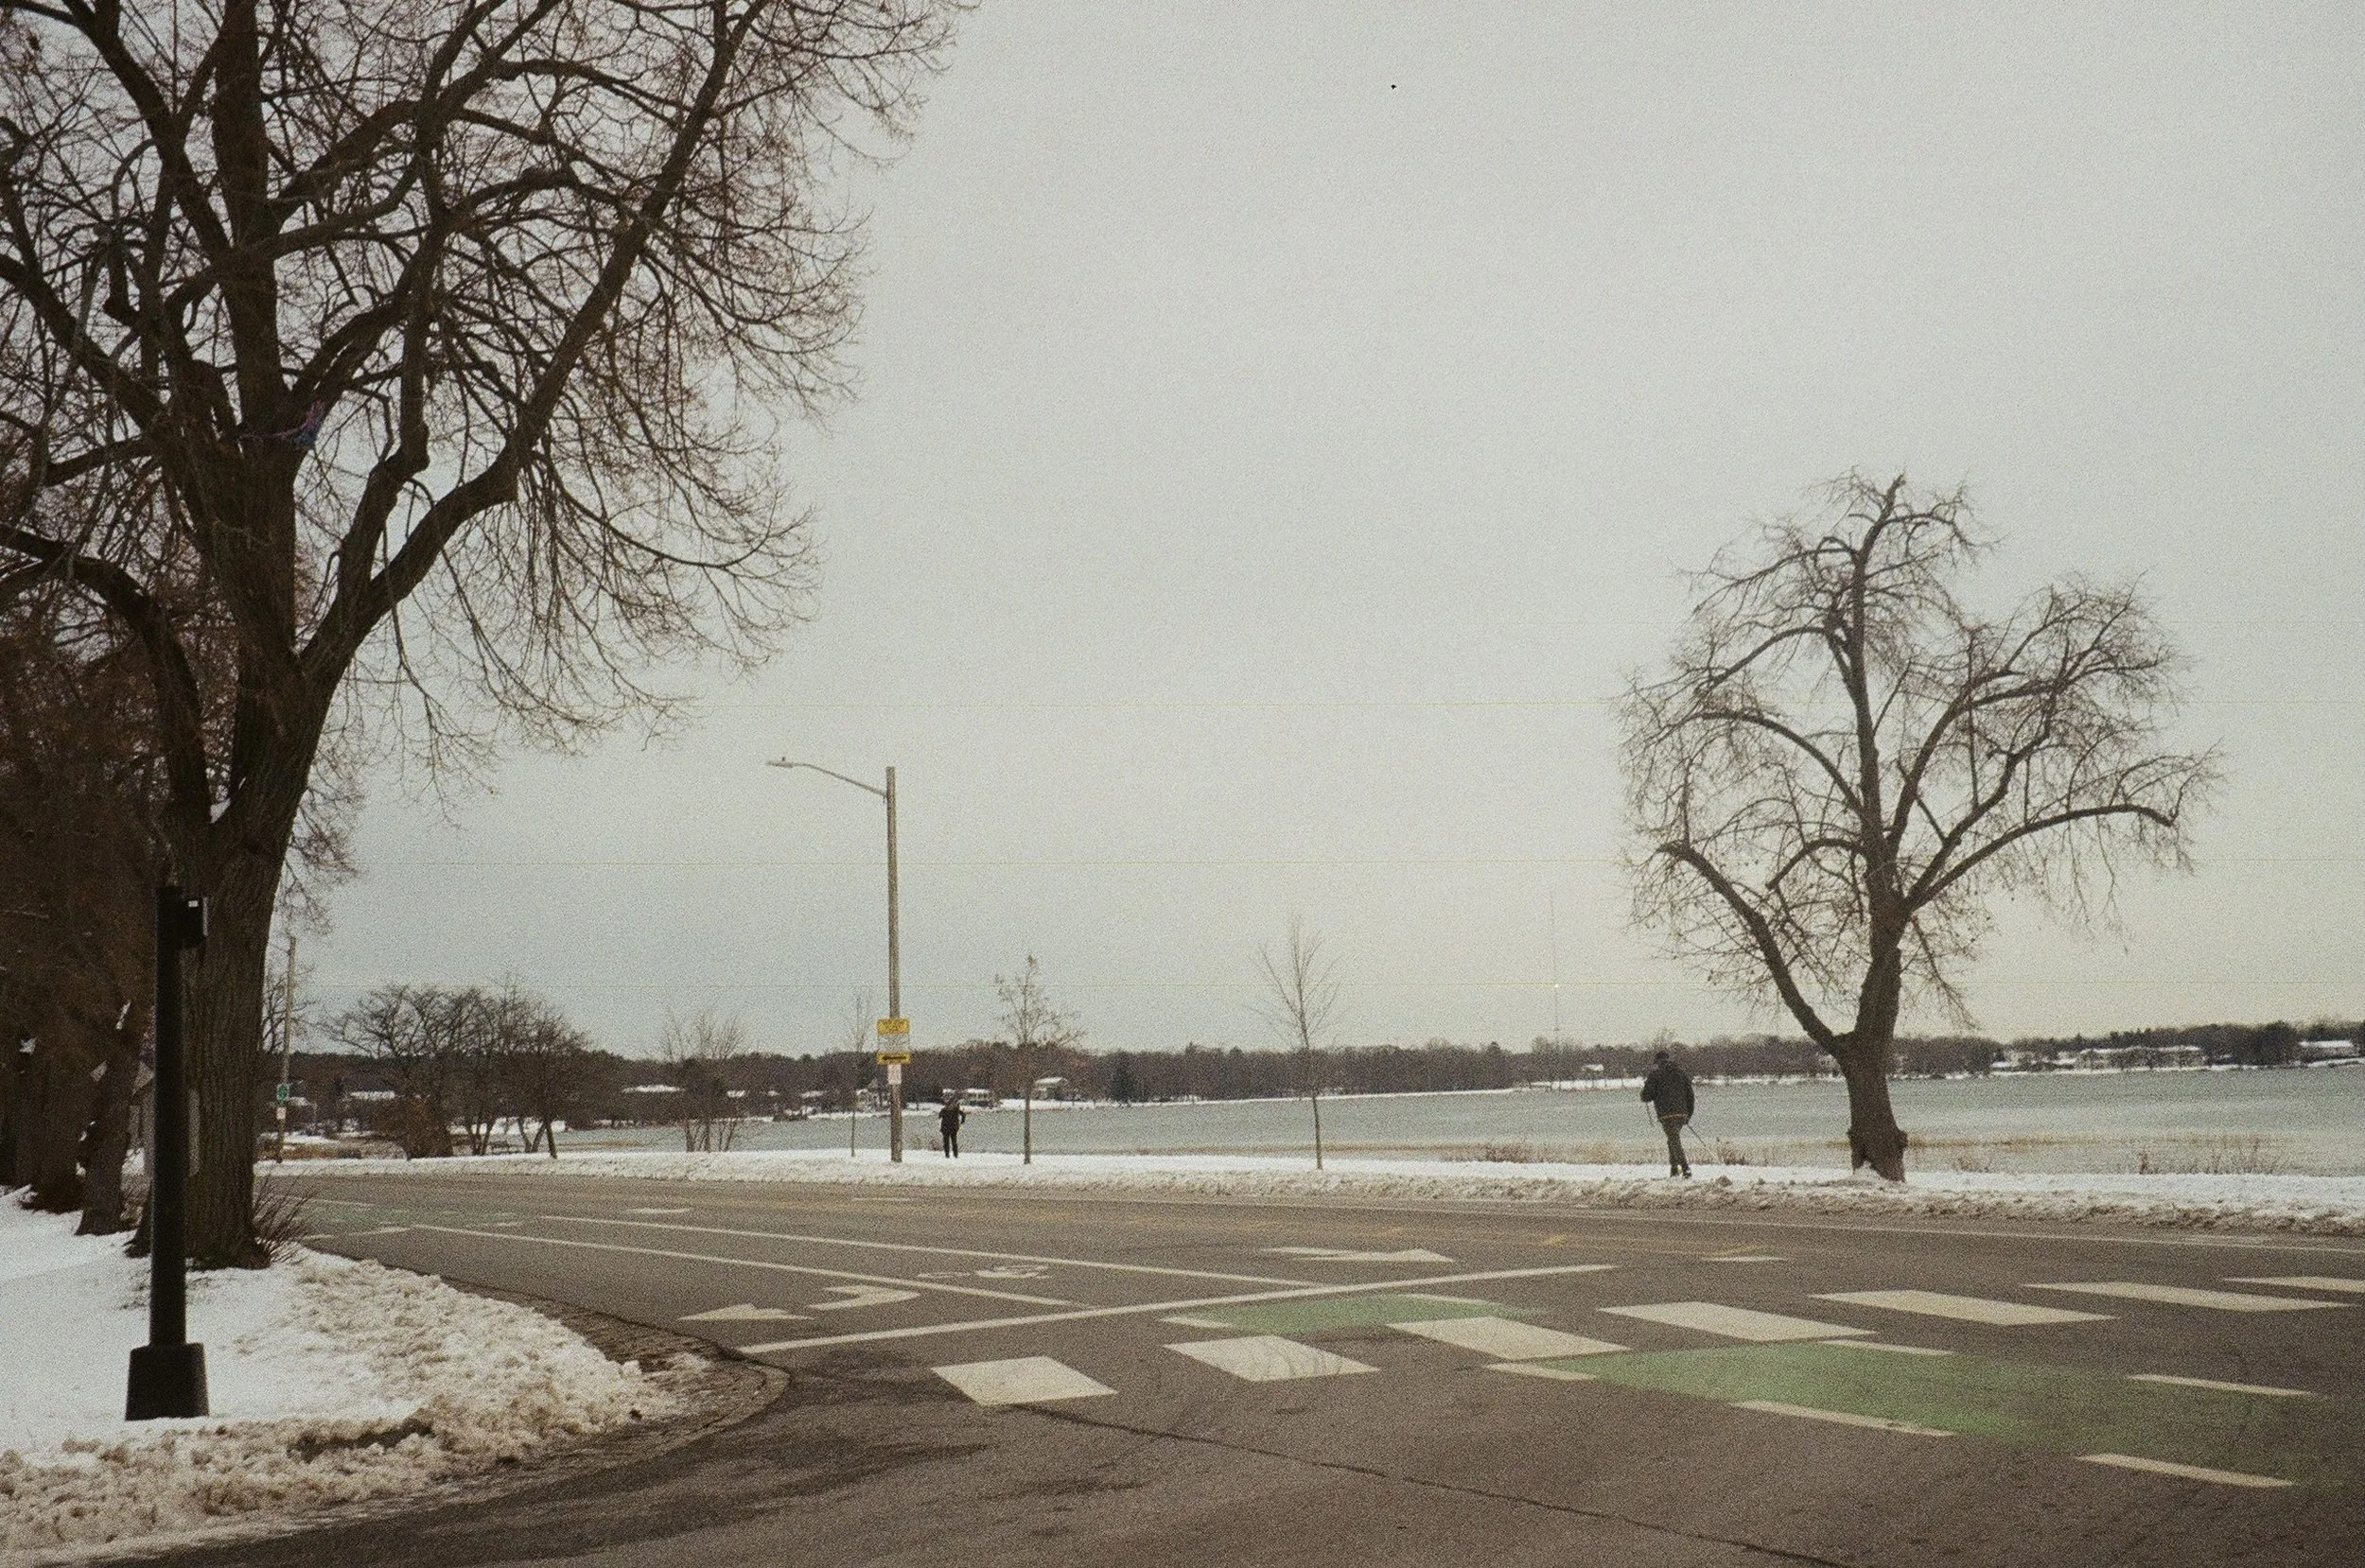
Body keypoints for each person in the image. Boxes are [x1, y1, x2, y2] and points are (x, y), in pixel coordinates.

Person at [1639, 1050, 1694, 1177]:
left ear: (1658, 1062)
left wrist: (1643, 1092)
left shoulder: (1655, 1075)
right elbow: (1690, 1096)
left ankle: (1685, 1168)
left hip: (1666, 1114)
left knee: (1674, 1140)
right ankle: (1674, 1170)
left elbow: (1647, 1097)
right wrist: (1688, 1115)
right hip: (1682, 1113)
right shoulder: (1681, 1073)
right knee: (1672, 1140)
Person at [937, 1093, 965, 1159]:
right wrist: (961, 1122)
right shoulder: (955, 1110)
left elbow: (939, 1117)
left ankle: (950, 1155)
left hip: (948, 1128)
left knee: (950, 1142)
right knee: (951, 1142)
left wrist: (961, 1122)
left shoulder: (946, 1110)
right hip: (951, 1128)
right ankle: (952, 1155)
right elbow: (963, 1115)